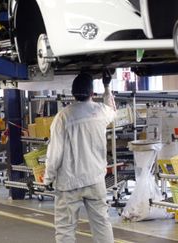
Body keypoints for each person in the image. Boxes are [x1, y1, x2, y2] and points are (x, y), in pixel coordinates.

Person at [44, 72, 116, 243]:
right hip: (95, 179)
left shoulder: (63, 116)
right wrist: (106, 87)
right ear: (92, 94)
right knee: (102, 224)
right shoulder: (100, 112)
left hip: (69, 182)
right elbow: (113, 110)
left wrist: (48, 177)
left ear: (73, 93)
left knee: (65, 228)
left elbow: (55, 152)